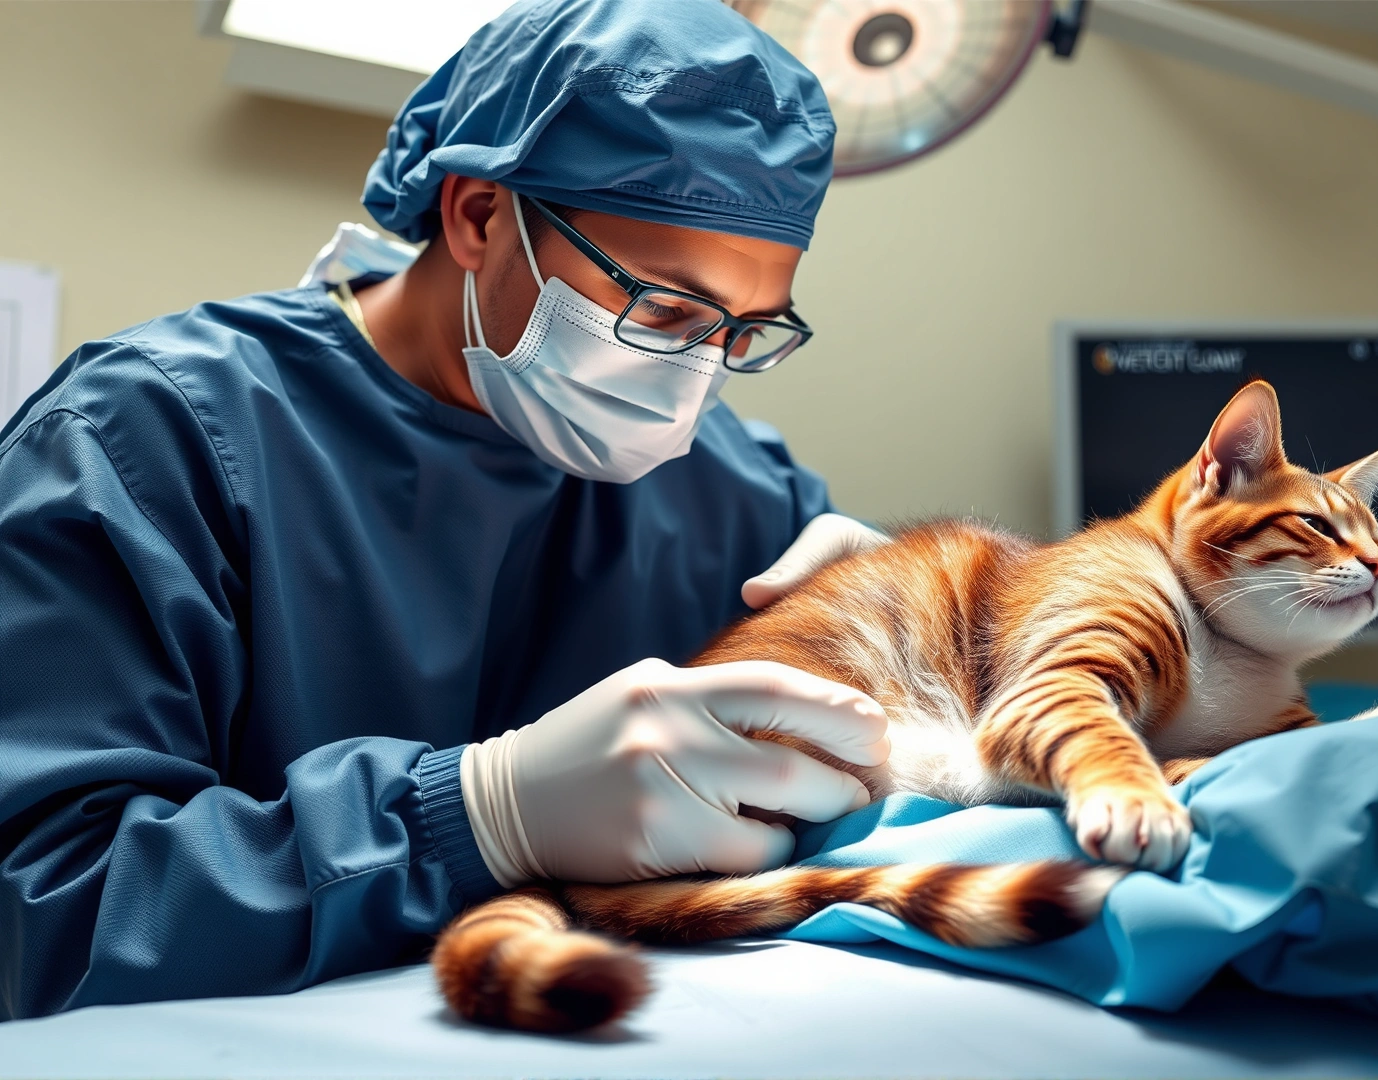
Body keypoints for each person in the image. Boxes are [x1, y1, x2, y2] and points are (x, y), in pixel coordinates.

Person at [0, 0, 892, 1019]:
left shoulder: (746, 493)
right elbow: (38, 907)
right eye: (664, 308)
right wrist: (472, 817)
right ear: (476, 216)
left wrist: (925, 633)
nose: (696, 377)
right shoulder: (152, 437)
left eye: (744, 333)